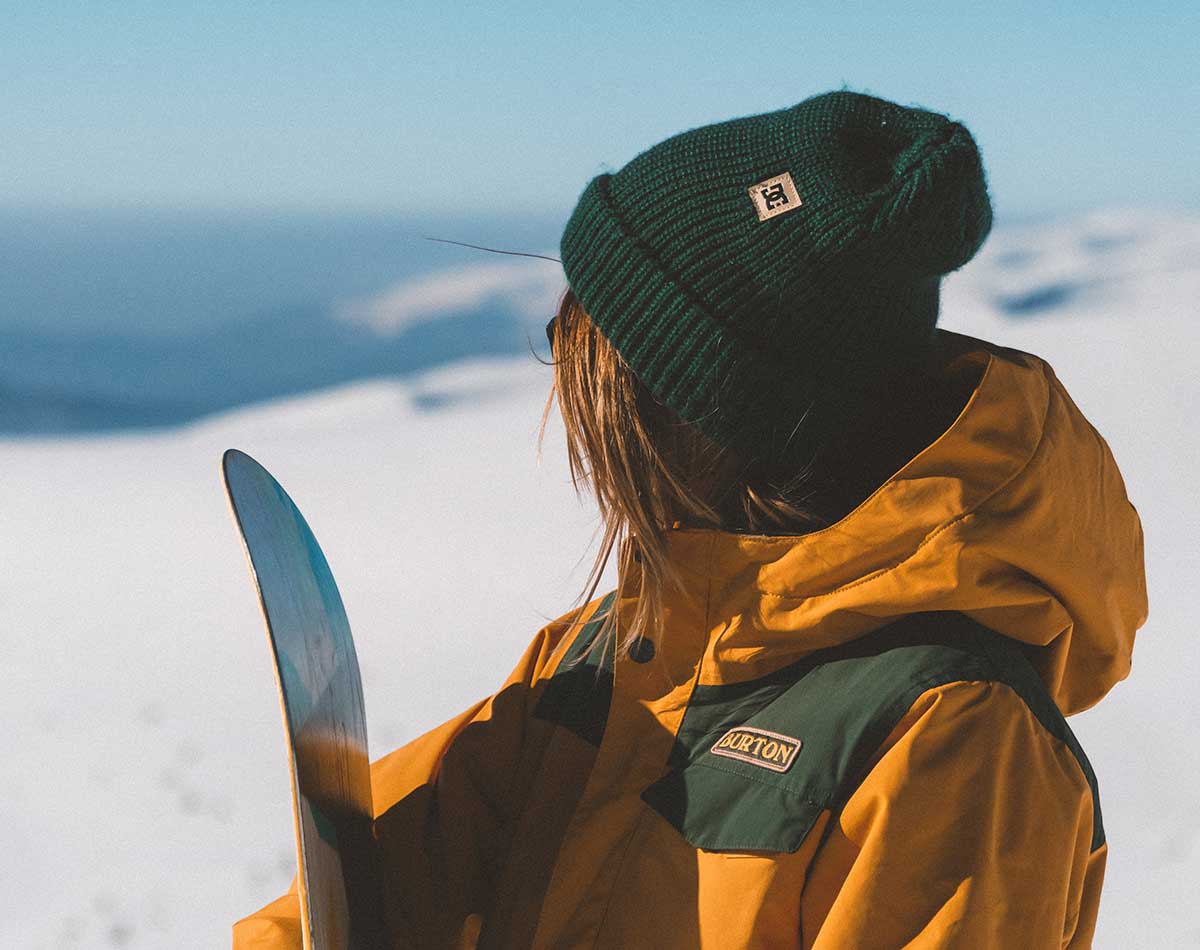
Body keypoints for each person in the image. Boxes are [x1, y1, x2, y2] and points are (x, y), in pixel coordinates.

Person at [232, 89, 1148, 949]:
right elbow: (374, 884)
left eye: (587, 342)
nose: (562, 373)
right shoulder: (616, 652)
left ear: (693, 413)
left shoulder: (956, 744)